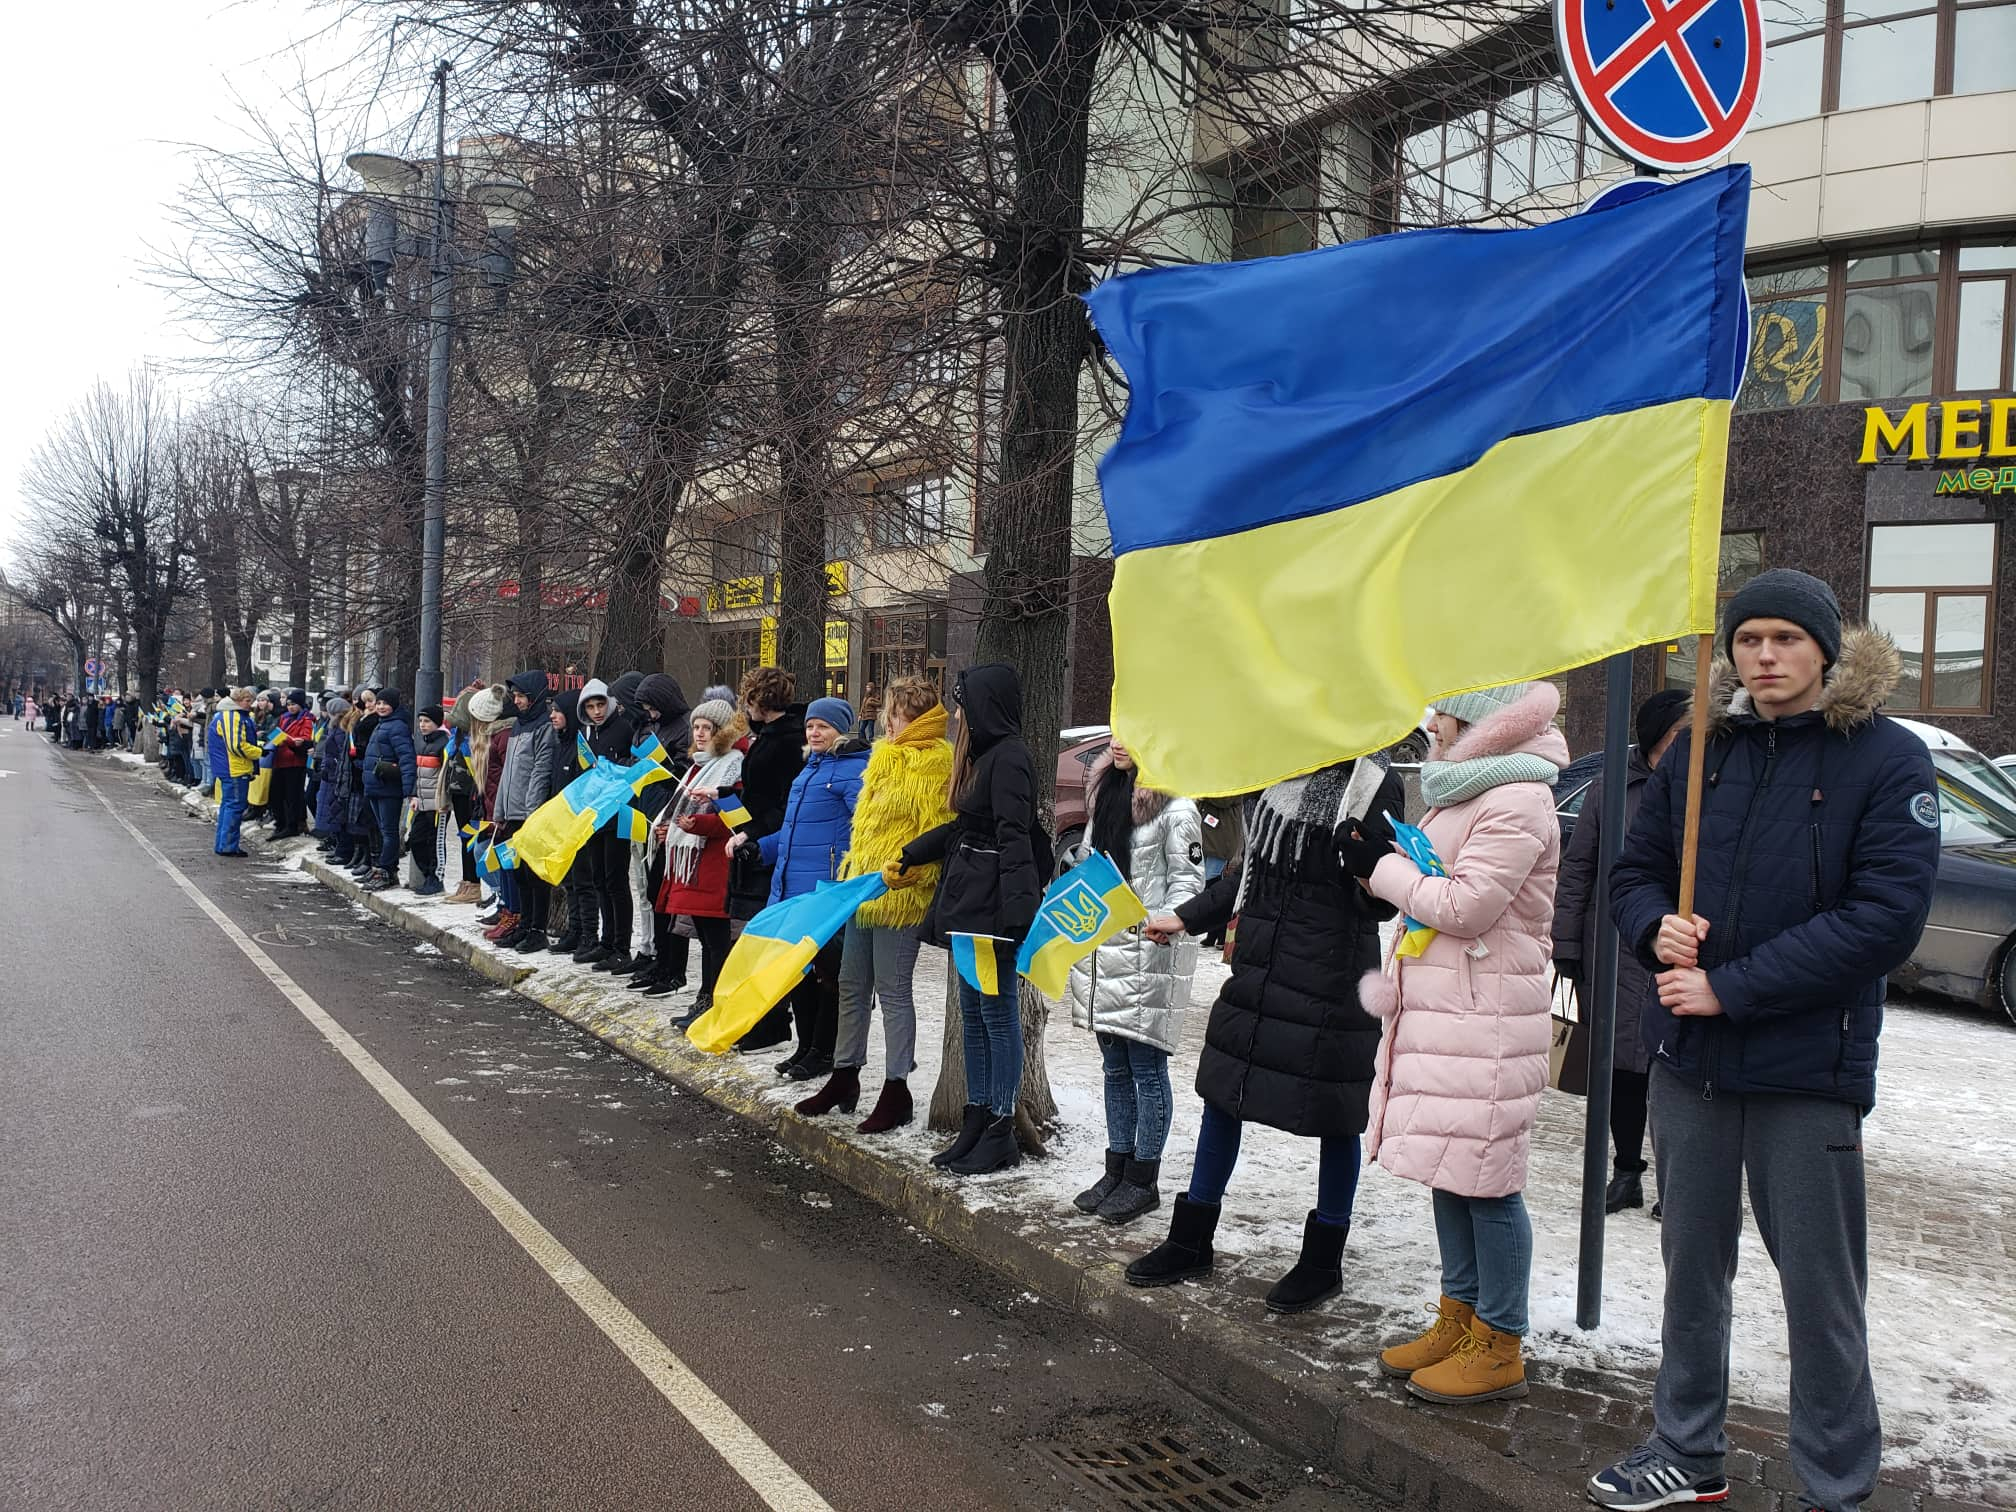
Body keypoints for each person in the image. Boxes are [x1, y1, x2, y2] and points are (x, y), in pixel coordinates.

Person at [1589, 572, 1941, 1512]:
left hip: (1806, 1073)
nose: (1766, 656)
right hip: (1690, 1070)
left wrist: (1730, 988)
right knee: (1691, 1275)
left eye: (1786, 638)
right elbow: (1633, 872)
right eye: (1749, 639)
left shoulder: (1888, 759)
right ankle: (1687, 1448)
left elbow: (1884, 920)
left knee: (1822, 1294)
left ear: (1826, 649)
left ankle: (1835, 1485)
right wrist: (1654, 925)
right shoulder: (1703, 751)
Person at [1347, 681, 1567, 1404]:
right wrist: (1386, 862)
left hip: (1488, 1019)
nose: (1433, 723)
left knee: (1490, 1183)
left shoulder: (1518, 798)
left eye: (1445, 711)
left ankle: (1500, 1342)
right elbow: (1437, 885)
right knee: (1451, 1169)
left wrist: (1383, 871)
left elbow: (1467, 907)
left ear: (1481, 721)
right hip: (1452, 1013)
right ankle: (1459, 1318)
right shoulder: (1466, 788)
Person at [1125, 751, 1404, 1311]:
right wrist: (1186, 916)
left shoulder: (1374, 782)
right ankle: (1191, 1239)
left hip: (1330, 978)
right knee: (1223, 1093)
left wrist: (1368, 867)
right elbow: (1248, 875)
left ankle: (1323, 1261)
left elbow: (1378, 898)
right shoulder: (1279, 771)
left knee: (1336, 1114)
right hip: (1259, 966)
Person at [895, 663, 1043, 1177]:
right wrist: (914, 852)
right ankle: (976, 1121)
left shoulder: (1011, 757)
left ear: (985, 706)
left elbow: (1015, 836)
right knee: (974, 1017)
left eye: (963, 706)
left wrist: (1019, 912)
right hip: (968, 906)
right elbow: (966, 827)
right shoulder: (984, 755)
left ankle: (1000, 1128)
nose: (957, 716)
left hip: (990, 912)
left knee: (997, 1018)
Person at [1551, 688, 1691, 1216]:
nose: (1690, 743)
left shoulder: (1708, 785)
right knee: (1619, 1067)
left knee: (1673, 1070)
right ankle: (1627, 1170)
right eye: (1680, 734)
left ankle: (1678, 1185)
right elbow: (1579, 867)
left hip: (1680, 949)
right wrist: (1567, 943)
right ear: (1655, 737)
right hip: (1611, 946)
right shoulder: (1612, 785)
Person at [796, 677, 955, 1131]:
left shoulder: (936, 763)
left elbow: (938, 831)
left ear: (916, 718)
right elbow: (863, 826)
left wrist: (912, 872)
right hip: (863, 891)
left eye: (896, 714)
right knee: (850, 984)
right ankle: (844, 1075)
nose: (888, 722)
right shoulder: (882, 756)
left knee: (893, 991)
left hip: (901, 897)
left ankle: (896, 1088)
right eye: (889, 713)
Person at [1064, 737, 1203, 1224]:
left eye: (1131, 733)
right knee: (1115, 1067)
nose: (1117, 742)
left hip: (1149, 951)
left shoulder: (1176, 805)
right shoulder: (1106, 792)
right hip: (1104, 950)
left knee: (1146, 1068)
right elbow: (1089, 862)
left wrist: (1166, 922)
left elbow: (1188, 880)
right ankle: (1117, 1167)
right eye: (1115, 731)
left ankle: (1143, 1178)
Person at [727, 694, 870, 1081]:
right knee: (800, 972)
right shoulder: (809, 769)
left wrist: (846, 873)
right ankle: (805, 1047)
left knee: (826, 975)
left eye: (823, 726)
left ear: (841, 729)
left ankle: (824, 1051)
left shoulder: (854, 769)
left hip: (825, 891)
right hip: (791, 887)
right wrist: (760, 848)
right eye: (810, 726)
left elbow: (864, 828)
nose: (814, 732)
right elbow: (791, 832)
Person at [726, 667, 807, 1051]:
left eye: (749, 698)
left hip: (767, 848)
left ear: (761, 700)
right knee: (755, 937)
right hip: (753, 841)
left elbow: (784, 804)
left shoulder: (787, 742)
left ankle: (773, 1020)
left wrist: (753, 832)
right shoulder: (768, 736)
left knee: (768, 938)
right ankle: (761, 1018)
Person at [647, 696, 746, 1009]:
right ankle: (705, 997)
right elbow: (678, 810)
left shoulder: (733, 765)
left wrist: (695, 825)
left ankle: (713, 1001)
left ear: (722, 731)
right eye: (696, 727)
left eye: (707, 728)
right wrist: (668, 829)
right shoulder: (697, 766)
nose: (700, 733)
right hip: (693, 861)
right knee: (705, 937)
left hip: (714, 863)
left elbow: (735, 817)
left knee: (717, 939)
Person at [492, 670, 558, 951]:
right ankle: (524, 923)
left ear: (534, 696)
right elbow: (508, 771)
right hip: (512, 812)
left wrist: (532, 814)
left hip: (530, 814)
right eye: (515, 696)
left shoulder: (544, 727)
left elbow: (540, 771)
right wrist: (500, 810)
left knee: (534, 875)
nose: (516, 701)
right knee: (518, 873)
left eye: (521, 696)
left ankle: (537, 929)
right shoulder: (519, 725)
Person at [360, 689, 416, 891]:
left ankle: (386, 871)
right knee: (383, 831)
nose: (381, 707)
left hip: (388, 787)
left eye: (385, 703)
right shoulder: (381, 723)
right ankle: (386, 869)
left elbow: (406, 758)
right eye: (379, 703)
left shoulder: (397, 726)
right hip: (376, 786)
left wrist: (410, 790)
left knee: (389, 832)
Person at [207, 688, 263, 857]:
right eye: (247, 701)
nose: (250, 704)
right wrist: (259, 751)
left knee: (228, 806)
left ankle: (223, 844)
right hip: (234, 769)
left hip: (229, 768)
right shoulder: (232, 716)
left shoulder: (228, 715)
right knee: (234, 807)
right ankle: (228, 846)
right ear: (237, 701)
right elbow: (237, 746)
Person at [406, 704, 449, 897]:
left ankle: (436, 879)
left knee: (435, 843)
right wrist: (414, 794)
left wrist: (444, 801)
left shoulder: (444, 743)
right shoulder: (423, 743)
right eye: (421, 721)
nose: (422, 725)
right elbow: (419, 774)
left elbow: (446, 775)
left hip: (438, 805)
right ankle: (427, 875)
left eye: (427, 721)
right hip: (423, 803)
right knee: (416, 840)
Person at [270, 690, 315, 839]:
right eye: (288, 704)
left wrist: (286, 740)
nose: (290, 707)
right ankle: (280, 823)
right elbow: (276, 734)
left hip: (294, 762)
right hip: (280, 759)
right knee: (276, 795)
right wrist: (277, 738)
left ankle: (292, 825)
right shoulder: (284, 717)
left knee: (292, 796)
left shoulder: (307, 720)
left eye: (294, 704)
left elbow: (304, 740)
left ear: (301, 705)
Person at [317, 697, 354, 861]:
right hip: (332, 773)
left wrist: (331, 766)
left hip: (336, 775)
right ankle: (337, 844)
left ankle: (342, 848)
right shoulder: (335, 727)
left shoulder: (340, 729)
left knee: (337, 812)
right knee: (333, 810)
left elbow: (338, 753)